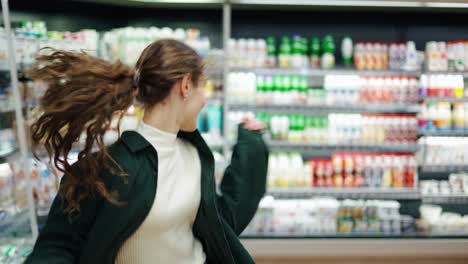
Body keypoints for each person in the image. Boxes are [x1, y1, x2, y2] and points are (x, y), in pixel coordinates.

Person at [25, 39, 268, 264]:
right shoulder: (108, 168)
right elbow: (56, 248)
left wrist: (251, 146)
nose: (204, 99)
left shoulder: (193, 155)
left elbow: (222, 224)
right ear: (185, 85)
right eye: (202, 86)